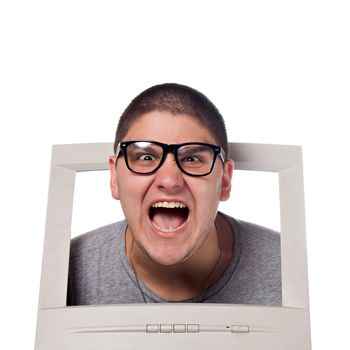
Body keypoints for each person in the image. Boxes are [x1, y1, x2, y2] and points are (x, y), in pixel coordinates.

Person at [67, 83, 281, 305]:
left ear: (225, 180)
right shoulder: (67, 269)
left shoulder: (285, 265)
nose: (169, 181)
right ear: (114, 178)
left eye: (192, 159)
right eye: (146, 157)